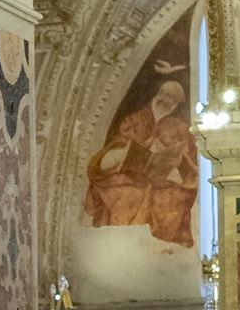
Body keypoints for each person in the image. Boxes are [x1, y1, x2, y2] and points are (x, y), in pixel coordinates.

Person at [84, 77, 198, 247]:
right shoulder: (134, 120)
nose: (165, 99)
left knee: (175, 198)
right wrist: (126, 153)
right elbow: (115, 148)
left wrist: (177, 162)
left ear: (177, 103)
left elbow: (191, 162)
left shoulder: (181, 127)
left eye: (171, 97)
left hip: (163, 179)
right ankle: (123, 247)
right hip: (127, 175)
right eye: (163, 93)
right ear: (155, 94)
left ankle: (163, 251)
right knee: (126, 193)